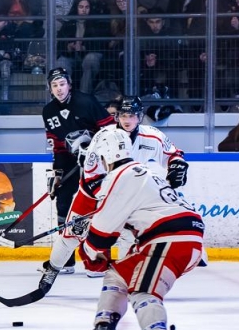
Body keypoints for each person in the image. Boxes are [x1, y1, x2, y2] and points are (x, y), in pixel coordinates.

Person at [69, 128, 204, 330]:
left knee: (144, 290)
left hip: (170, 238)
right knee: (118, 274)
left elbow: (101, 234)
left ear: (103, 155)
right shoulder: (143, 171)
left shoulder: (118, 177)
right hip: (177, 235)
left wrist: (89, 252)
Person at [40, 95, 188, 284]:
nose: (127, 120)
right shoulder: (104, 137)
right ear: (117, 116)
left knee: (130, 236)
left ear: (140, 117)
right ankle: (52, 270)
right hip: (93, 194)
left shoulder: (152, 135)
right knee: (71, 236)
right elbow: (91, 174)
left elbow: (173, 154)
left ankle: (127, 275)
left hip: (127, 195)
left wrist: (178, 165)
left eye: (132, 116)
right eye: (123, 115)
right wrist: (103, 206)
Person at [40, 67, 114, 276]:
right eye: (54, 85)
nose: (59, 89)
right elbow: (57, 144)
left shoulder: (86, 102)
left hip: (97, 161)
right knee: (63, 203)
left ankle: (99, 258)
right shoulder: (48, 111)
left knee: (98, 206)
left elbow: (109, 131)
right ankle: (66, 261)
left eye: (62, 84)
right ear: (50, 89)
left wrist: (94, 154)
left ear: (69, 85)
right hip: (69, 161)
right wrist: (57, 172)